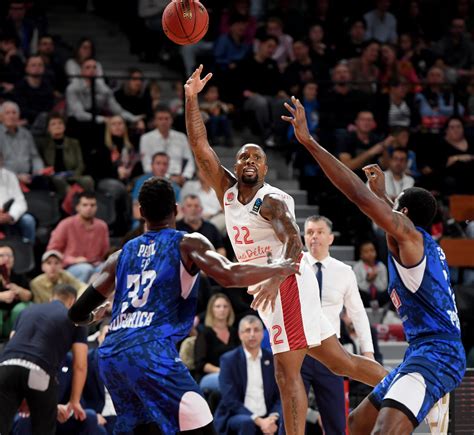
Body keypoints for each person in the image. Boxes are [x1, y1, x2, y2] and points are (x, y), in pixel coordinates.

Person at [184, 65, 388, 435]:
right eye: (244, 157)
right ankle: (409, 388)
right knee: (340, 362)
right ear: (236, 164)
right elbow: (200, 147)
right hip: (271, 288)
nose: (249, 162)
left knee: (284, 369)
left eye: (256, 159)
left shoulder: (271, 202)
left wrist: (274, 277)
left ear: (265, 168)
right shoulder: (228, 193)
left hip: (286, 283)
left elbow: (294, 243)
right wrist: (191, 98)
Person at [283, 95, 466, 434]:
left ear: (404, 216)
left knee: (384, 431)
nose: (387, 215)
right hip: (422, 350)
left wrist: (309, 142)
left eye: (394, 208)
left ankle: (432, 394)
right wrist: (383, 196)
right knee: (357, 423)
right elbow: (387, 215)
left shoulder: (410, 237)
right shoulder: (417, 244)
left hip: (438, 354)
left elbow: (357, 196)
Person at [67, 176, 299, 434]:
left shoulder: (121, 254)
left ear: (141, 212)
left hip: (112, 354)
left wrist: (95, 316)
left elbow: (76, 313)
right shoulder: (187, 243)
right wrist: (279, 266)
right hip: (150, 351)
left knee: (146, 428)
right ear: (176, 209)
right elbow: (229, 274)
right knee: (200, 423)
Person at [300, 215, 374, 435]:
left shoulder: (344, 271)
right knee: (291, 422)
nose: (314, 237)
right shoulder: (295, 265)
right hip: (298, 350)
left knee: (336, 422)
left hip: (331, 352)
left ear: (330, 238)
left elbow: (358, 313)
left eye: (320, 232)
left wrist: (367, 352)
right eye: (309, 232)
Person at [0, 284, 88, 435]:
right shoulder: (75, 318)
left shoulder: (27, 310)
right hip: (39, 371)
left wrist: (22, 393)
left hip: (5, 366)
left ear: (51, 298)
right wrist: (74, 401)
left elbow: (13, 340)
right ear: (72, 302)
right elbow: (80, 365)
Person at [214, 315, 281, 435]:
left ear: (262, 334)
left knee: (286, 419)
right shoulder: (229, 360)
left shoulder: (272, 360)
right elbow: (230, 399)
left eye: (256, 330)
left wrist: (273, 417)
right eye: (247, 330)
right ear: (240, 335)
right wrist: (259, 420)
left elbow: (279, 394)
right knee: (247, 423)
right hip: (237, 415)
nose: (252, 334)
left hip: (268, 414)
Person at [46, 191, 109, 283]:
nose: (89, 208)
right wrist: (74, 260)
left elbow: (105, 253)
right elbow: (52, 252)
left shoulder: (102, 226)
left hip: (95, 265)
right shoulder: (66, 224)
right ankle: (80, 296)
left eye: (92, 205)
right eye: (85, 205)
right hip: (70, 266)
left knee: (108, 269)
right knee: (86, 269)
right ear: (77, 207)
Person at [194, 293, 239, 393]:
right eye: (218, 306)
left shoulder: (235, 332)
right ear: (211, 310)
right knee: (231, 383)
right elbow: (201, 364)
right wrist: (223, 371)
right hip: (210, 375)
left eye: (225, 306)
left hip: (233, 375)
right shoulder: (205, 334)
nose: (222, 309)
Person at [139, 106, 195, 185]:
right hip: (155, 180)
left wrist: (185, 177)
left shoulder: (181, 137)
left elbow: (189, 162)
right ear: (155, 121)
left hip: (180, 180)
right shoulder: (145, 138)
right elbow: (147, 166)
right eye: (160, 119)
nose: (164, 122)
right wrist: (167, 178)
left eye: (166, 118)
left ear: (171, 120)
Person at [0, 151, 36, 242]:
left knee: (28, 220)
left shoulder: (10, 176)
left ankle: (27, 251)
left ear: (2, 161)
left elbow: (20, 201)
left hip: (9, 214)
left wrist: (11, 215)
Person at [0, 244, 32, 338]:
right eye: (2, 255)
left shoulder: (19, 276)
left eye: (9, 255)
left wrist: (19, 290)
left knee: (24, 307)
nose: (6, 258)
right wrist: (1, 296)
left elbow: (29, 296)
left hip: (13, 319)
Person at [353, 241, 389, 308]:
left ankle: (377, 303)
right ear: (361, 254)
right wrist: (368, 280)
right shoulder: (357, 267)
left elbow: (383, 287)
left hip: (379, 296)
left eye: (372, 250)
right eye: (366, 252)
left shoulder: (381, 266)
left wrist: (375, 279)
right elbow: (359, 286)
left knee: (390, 291)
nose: (370, 253)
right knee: (356, 293)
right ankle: (369, 304)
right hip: (365, 296)